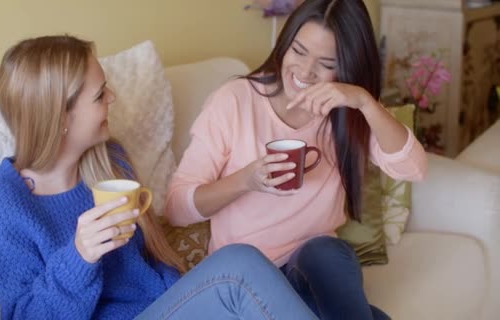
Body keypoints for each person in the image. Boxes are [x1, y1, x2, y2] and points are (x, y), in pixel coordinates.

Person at [0, 35, 319, 320]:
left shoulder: (110, 163)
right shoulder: (3, 206)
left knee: (309, 271)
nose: (112, 98)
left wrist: (188, 295)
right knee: (238, 265)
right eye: (99, 95)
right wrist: (79, 257)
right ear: (60, 116)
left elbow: (154, 258)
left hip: (165, 308)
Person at [165, 0, 428, 319]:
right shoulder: (235, 101)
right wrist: (245, 181)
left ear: (348, 67)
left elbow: (413, 168)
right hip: (249, 278)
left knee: (325, 252)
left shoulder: (346, 111)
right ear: (284, 43)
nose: (305, 72)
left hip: (317, 271)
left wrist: (364, 102)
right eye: (298, 51)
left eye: (326, 63)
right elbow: (175, 209)